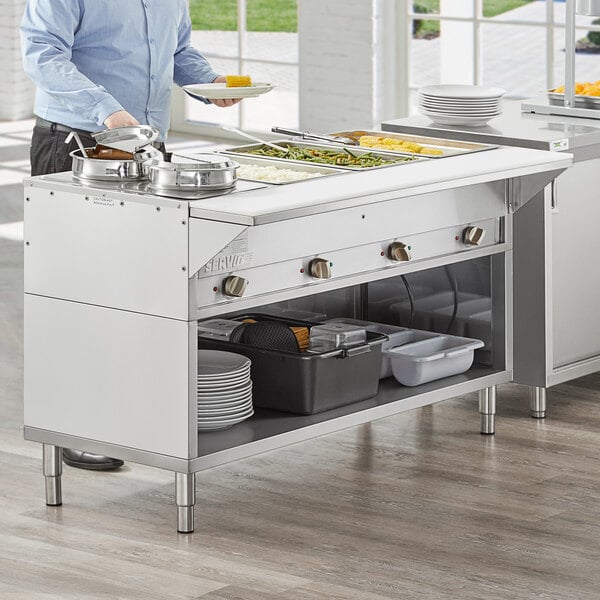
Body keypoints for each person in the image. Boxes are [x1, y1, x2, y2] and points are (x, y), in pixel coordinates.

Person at [21, 0, 241, 470]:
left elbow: (178, 50)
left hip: (146, 146)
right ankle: (74, 426)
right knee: (77, 291)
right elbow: (41, 53)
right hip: (78, 141)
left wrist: (209, 85)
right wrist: (107, 110)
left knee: (135, 288)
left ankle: (125, 416)